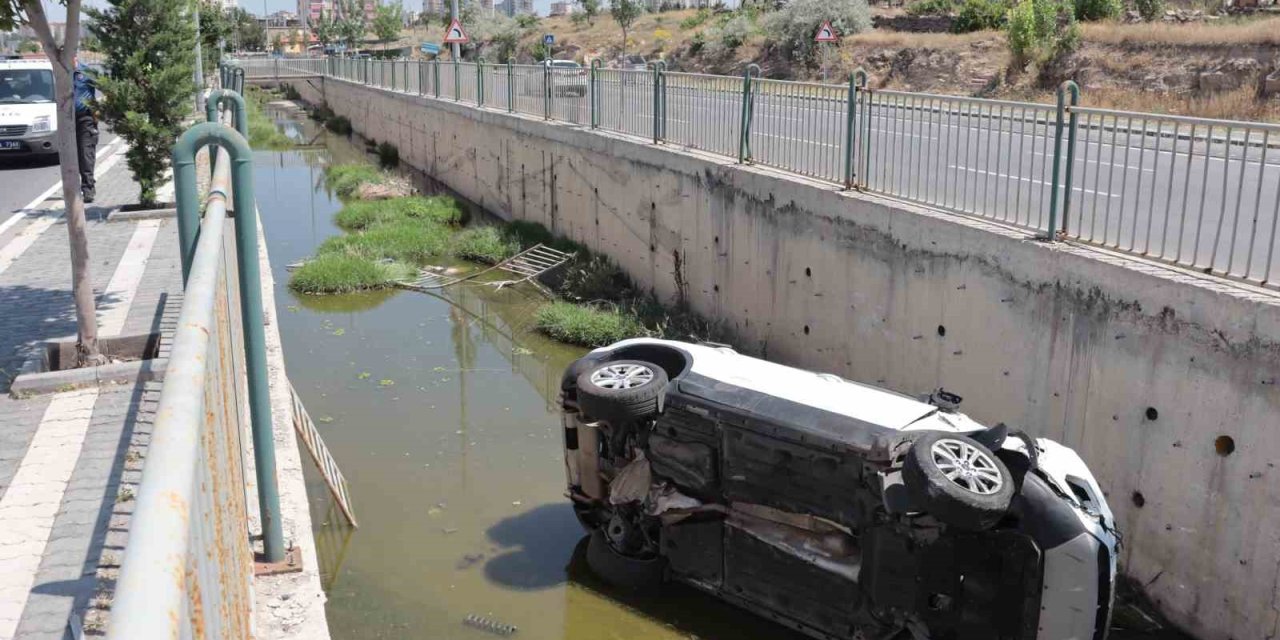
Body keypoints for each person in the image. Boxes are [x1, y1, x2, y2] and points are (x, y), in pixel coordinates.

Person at [73, 61, 98, 203]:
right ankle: (72, 187)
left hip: (85, 118)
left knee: (85, 153)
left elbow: (104, 87)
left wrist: (99, 111)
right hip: (67, 120)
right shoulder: (61, 73)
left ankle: (88, 189)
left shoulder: (87, 72)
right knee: (71, 155)